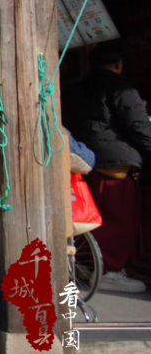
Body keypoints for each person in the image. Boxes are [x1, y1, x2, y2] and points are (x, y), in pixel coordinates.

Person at [64, 45, 151, 293]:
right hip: (115, 163)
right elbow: (138, 126)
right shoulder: (121, 87)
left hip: (84, 159)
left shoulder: (73, 87)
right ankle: (110, 270)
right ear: (119, 64)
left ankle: (87, 267)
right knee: (119, 218)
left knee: (91, 217)